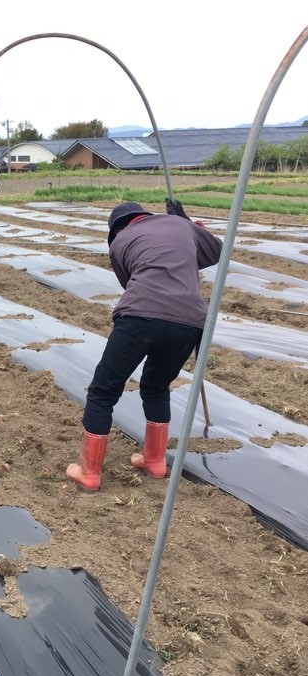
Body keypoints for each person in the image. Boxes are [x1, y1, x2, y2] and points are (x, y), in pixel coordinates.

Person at [66, 200, 223, 491]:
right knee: (156, 386)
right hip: (190, 322)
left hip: (139, 317)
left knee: (103, 390)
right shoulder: (179, 225)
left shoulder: (120, 243)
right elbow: (216, 252)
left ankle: (89, 473)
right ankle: (154, 461)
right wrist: (187, 221)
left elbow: (131, 283)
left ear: (117, 229)